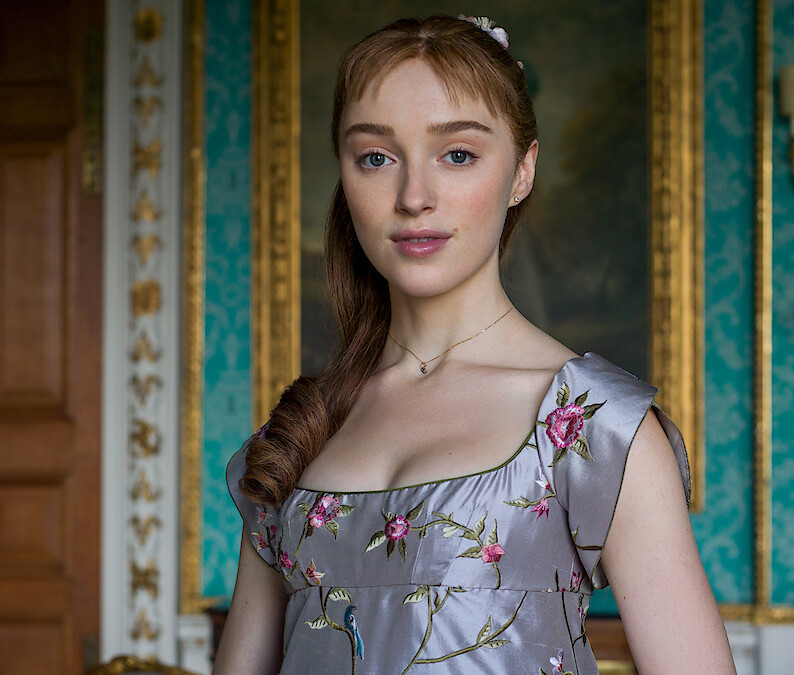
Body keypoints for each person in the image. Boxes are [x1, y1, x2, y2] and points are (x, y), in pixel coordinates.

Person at [213, 14, 734, 675]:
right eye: (377, 157)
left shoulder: (592, 426)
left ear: (522, 171)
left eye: (457, 154)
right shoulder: (302, 430)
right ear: (344, 177)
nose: (414, 197)